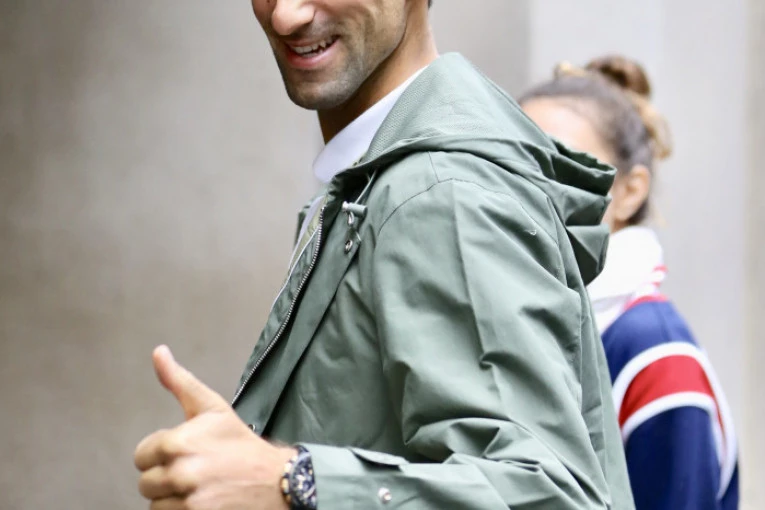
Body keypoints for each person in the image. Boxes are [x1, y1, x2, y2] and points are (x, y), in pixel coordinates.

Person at [133, 2, 635, 509]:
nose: (285, 16)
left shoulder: (440, 194)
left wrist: (292, 483)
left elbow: (547, 495)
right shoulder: (379, 184)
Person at [520, 56, 740, 510]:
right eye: (514, 167)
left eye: (563, 168)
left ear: (631, 191)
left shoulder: (656, 355)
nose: (533, 191)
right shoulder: (525, 325)